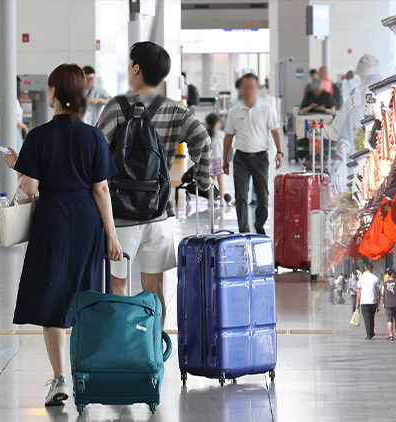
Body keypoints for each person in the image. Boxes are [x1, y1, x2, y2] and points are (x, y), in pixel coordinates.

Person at [2, 63, 122, 407]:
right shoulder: (94, 136)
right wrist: (111, 235)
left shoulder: (38, 136)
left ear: (53, 93)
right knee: (85, 295)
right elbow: (101, 189)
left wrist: (18, 166)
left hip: (52, 219)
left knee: (53, 296)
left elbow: (29, 187)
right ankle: (86, 373)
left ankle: (59, 379)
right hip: (87, 220)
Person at [97, 41, 211, 319]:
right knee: (154, 288)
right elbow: (204, 142)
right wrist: (203, 182)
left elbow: (95, 152)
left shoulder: (116, 107)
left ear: (136, 68)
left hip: (120, 216)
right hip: (158, 213)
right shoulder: (175, 110)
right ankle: (152, 348)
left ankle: (122, 347)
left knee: (118, 285)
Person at [222, 73, 283, 234]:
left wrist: (280, 152)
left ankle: (259, 226)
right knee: (241, 196)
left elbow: (275, 131)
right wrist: (225, 159)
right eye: (245, 87)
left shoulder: (265, 109)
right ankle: (244, 230)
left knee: (263, 197)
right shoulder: (234, 111)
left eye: (252, 87)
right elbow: (228, 136)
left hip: (261, 158)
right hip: (241, 158)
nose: (248, 90)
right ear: (241, 89)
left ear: (258, 88)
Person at [0, 77, 29, 149]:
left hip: (2, 133)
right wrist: (24, 127)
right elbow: (12, 119)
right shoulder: (12, 100)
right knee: (14, 156)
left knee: (5, 155)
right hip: (13, 133)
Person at [205, 112, 227, 206]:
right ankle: (221, 199)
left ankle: (211, 199)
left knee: (211, 181)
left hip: (210, 160)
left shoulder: (207, 133)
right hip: (219, 159)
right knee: (221, 181)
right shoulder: (220, 133)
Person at [356, 263, 380, 340]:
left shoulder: (361, 278)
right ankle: (371, 332)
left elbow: (359, 291)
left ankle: (369, 334)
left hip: (364, 301)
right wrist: (378, 303)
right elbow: (377, 292)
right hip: (373, 301)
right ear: (372, 269)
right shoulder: (375, 278)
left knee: (366, 318)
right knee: (372, 317)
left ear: (366, 268)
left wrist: (357, 302)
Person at [382, 268, 396, 341]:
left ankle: (391, 335)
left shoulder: (385, 283)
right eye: (395, 273)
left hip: (388, 304)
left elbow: (382, 293)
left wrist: (384, 302)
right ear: (393, 274)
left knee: (389, 320)